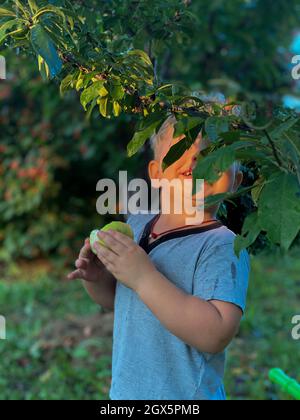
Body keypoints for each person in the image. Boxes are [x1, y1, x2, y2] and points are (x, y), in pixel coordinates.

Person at [67, 114, 250, 400]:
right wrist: (99, 279)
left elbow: (215, 334)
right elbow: (121, 301)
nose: (195, 159)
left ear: (235, 181)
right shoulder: (137, 225)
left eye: (214, 152)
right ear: (156, 174)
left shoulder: (222, 245)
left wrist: (143, 277)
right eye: (182, 148)